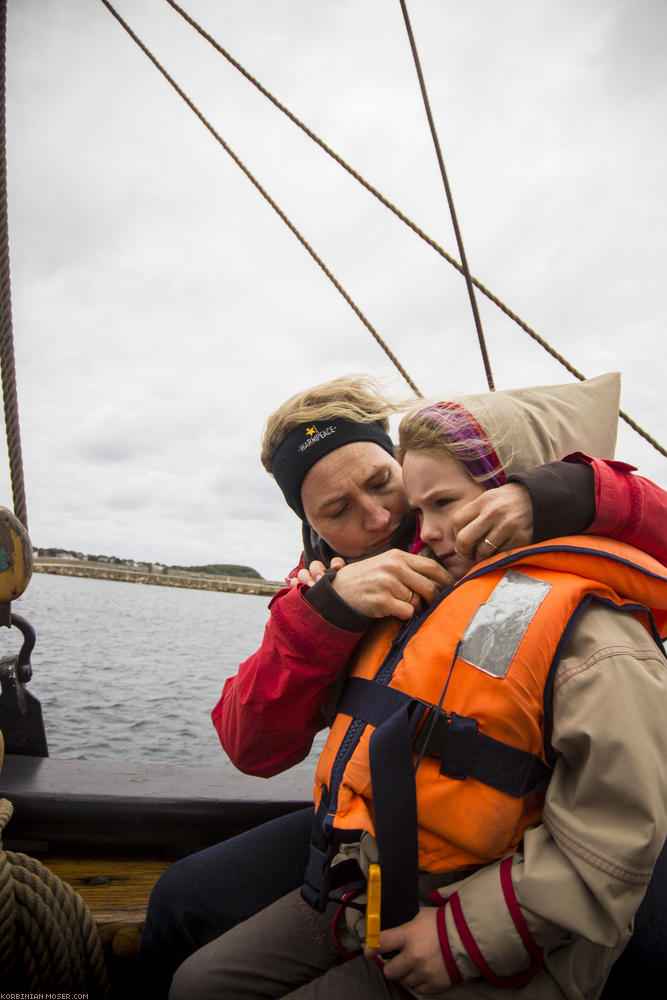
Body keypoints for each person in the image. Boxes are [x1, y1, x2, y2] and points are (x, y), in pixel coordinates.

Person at [138, 373, 667, 995]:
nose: (381, 515)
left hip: (549, 828)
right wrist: (325, 617)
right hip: (380, 845)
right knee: (181, 904)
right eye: (337, 511)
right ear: (314, 528)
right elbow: (252, 747)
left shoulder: (484, 517)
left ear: (404, 467)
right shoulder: (321, 586)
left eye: (383, 482)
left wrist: (555, 493)